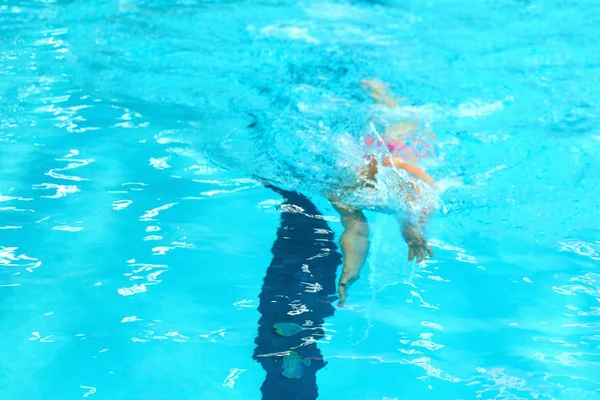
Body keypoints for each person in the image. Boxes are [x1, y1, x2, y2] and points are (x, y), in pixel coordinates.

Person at [328, 79, 438, 307]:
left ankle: (381, 91)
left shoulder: (381, 165)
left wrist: (413, 235)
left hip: (403, 150)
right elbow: (356, 230)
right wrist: (351, 270)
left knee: (404, 122)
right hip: (383, 155)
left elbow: (421, 197)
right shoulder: (339, 192)